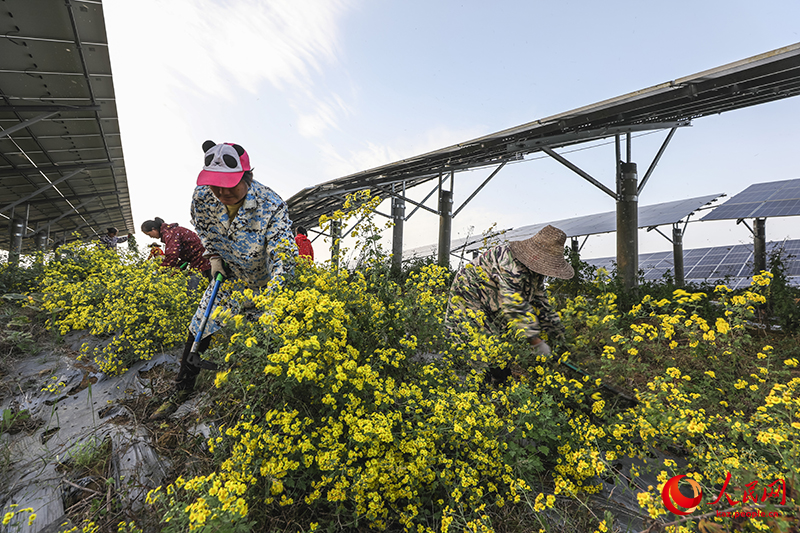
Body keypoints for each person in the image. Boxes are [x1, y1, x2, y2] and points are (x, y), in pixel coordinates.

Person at [151, 140, 297, 420]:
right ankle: (181, 391)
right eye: (216, 185)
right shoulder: (203, 196)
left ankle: (262, 405)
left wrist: (273, 299)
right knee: (199, 327)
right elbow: (203, 228)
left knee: (267, 342)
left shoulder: (271, 205)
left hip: (266, 284)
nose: (221, 192)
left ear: (246, 176)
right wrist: (214, 256)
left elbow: (284, 256)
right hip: (229, 277)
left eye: (229, 185)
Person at [445, 225, 574, 383]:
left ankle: (496, 380)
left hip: (490, 302)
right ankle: (474, 387)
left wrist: (559, 335)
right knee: (480, 347)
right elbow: (514, 305)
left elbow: (541, 301)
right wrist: (536, 342)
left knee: (497, 345)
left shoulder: (535, 272)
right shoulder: (510, 261)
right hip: (468, 295)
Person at [141, 217, 211, 278]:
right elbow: (186, 252)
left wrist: (159, 271)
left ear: (154, 229)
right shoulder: (172, 231)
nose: (151, 237)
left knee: (194, 285)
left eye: (149, 234)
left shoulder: (170, 233)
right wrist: (178, 267)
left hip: (202, 259)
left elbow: (172, 255)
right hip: (200, 258)